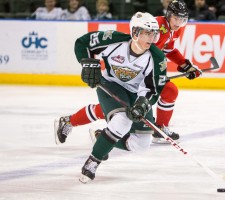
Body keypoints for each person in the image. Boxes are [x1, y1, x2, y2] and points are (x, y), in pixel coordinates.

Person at [54, 0, 200, 144]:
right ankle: (71, 121)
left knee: (168, 92)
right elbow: (141, 48)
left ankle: (159, 128)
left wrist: (185, 65)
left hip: (141, 72)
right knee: (118, 108)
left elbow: (167, 50)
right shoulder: (158, 26)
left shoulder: (175, 30)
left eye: (182, 19)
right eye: (176, 18)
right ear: (168, 15)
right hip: (130, 71)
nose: (178, 22)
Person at [55, 12, 166, 183]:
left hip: (136, 92)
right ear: (135, 32)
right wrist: (87, 63)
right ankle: (94, 160)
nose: (151, 38)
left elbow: (153, 89)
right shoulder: (113, 39)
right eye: (147, 33)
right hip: (110, 83)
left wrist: (143, 104)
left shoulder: (157, 58)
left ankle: (102, 137)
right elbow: (83, 42)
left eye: (154, 34)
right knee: (122, 121)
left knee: (142, 144)